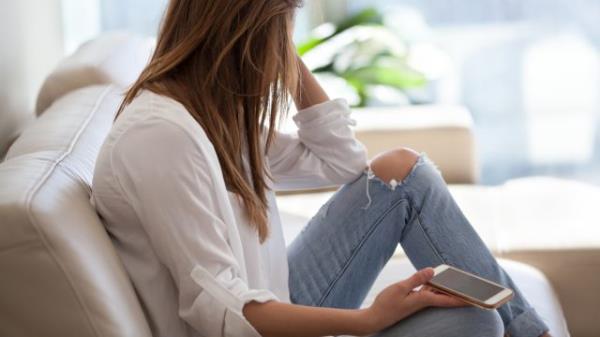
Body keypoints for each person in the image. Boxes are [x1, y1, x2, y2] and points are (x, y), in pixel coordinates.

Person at [91, 1, 551, 336]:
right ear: (245, 33)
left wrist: (283, 53)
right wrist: (369, 320)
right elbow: (223, 315)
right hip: (257, 323)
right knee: (476, 323)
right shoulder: (162, 137)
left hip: (279, 297)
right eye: (281, 32)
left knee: (402, 173)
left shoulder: (211, 117)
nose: (282, 59)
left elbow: (341, 161)